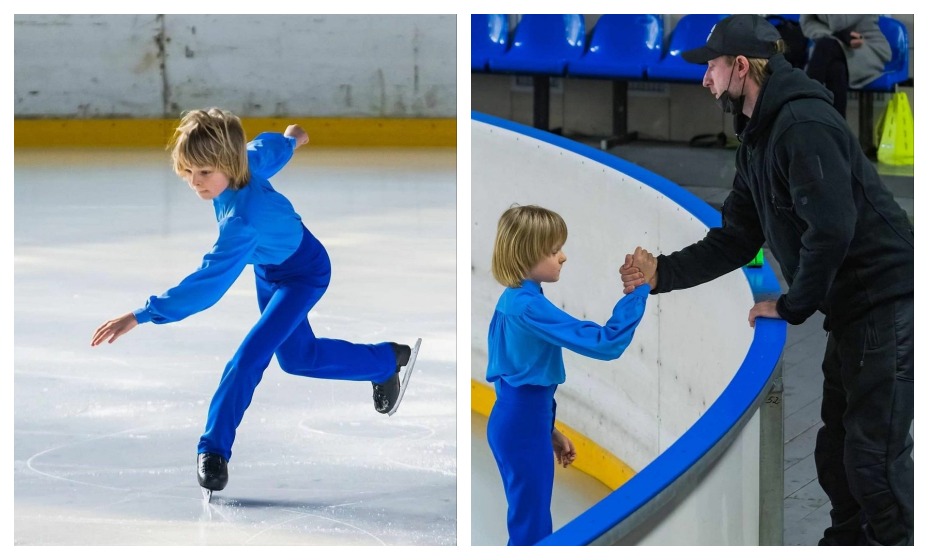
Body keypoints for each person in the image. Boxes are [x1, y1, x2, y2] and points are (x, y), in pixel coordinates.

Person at [620, 15, 913, 545]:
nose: (704, 80)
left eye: (710, 67)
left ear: (739, 67)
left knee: (874, 459)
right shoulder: (758, 134)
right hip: (853, 309)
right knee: (838, 450)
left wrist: (793, 304)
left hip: (886, 303)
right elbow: (736, 237)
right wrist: (663, 273)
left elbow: (832, 229)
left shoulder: (802, 126)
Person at [91, 108, 420, 495]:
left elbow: (205, 286)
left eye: (204, 173)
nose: (196, 183)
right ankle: (385, 361)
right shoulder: (241, 164)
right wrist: (293, 138)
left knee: (248, 358)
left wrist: (142, 314)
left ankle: (213, 450)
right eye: (188, 172)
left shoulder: (240, 224)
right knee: (299, 358)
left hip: (305, 274)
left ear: (227, 164)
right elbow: (267, 149)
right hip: (269, 270)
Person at [486, 204, 655, 545]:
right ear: (524, 255)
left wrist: (547, 429)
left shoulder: (514, 299)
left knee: (529, 521)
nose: (562, 257)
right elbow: (605, 343)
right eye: (552, 251)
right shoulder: (529, 307)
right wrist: (640, 291)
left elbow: (513, 380)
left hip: (517, 423)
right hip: (521, 427)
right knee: (531, 532)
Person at [800, 15, 891, 117]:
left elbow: (839, 23)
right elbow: (806, 24)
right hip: (837, 47)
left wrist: (835, 34)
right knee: (836, 69)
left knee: (825, 46)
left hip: (867, 47)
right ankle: (836, 129)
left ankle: (804, 111)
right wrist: (834, 35)